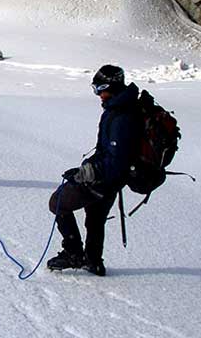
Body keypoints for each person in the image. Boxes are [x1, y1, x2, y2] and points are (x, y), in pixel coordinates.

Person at [47, 64, 140, 276]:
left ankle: (74, 253)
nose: (98, 95)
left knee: (57, 202)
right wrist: (85, 166)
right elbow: (105, 151)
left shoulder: (122, 116)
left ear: (113, 86)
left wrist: (86, 173)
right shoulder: (118, 108)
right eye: (95, 89)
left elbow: (115, 162)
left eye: (100, 89)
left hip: (107, 179)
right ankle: (93, 260)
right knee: (95, 216)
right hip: (112, 180)